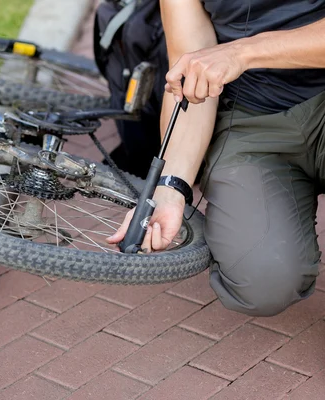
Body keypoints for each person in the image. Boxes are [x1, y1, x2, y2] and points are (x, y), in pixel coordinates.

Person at [106, 0, 325, 317]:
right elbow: (189, 71)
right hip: (249, 118)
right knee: (263, 282)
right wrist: (169, 190)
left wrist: (244, 52)